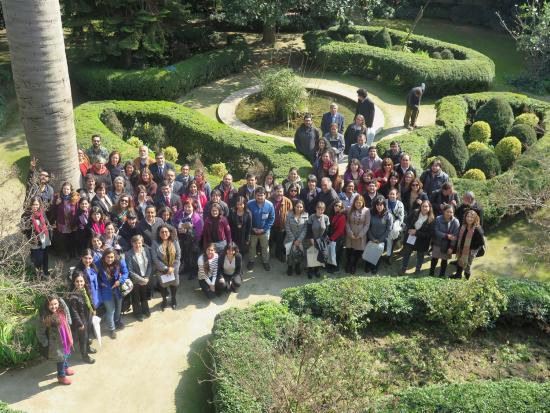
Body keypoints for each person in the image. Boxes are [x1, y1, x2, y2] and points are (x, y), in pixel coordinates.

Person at [36, 295, 74, 385]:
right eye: (51, 305)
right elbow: (39, 331)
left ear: (59, 303)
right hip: (55, 343)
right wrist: (45, 342)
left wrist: (61, 300)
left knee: (66, 353)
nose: (54, 307)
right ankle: (61, 376)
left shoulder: (61, 310)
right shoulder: (45, 317)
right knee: (60, 359)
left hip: (65, 337)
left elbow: (66, 309)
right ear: (47, 305)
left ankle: (66, 367)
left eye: (55, 304)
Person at [97, 248, 129, 338]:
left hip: (118, 289)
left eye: (112, 257)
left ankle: (117, 321)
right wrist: (100, 283)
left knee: (118, 307)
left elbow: (126, 272)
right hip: (106, 290)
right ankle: (112, 329)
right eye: (107, 257)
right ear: (104, 257)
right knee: (110, 310)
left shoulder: (120, 261)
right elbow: (95, 276)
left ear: (115, 256)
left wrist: (120, 280)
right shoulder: (99, 263)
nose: (110, 259)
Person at [399, 200, 435, 275]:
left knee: (420, 255)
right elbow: (407, 221)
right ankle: (403, 268)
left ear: (429, 207)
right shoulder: (415, 212)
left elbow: (430, 234)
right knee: (406, 253)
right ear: (420, 207)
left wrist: (416, 232)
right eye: (423, 206)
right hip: (411, 238)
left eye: (426, 206)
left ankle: (418, 270)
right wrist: (409, 229)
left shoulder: (431, 219)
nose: (424, 208)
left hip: (422, 241)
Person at [67, 272, 96, 364]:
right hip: (81, 319)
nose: (79, 283)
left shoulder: (85, 289)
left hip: (88, 315)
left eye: (81, 281)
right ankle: (85, 356)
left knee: (88, 334)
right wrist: (80, 324)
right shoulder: (73, 296)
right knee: (83, 338)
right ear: (74, 282)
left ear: (84, 281)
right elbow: (74, 312)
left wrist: (93, 308)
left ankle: (88, 348)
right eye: (77, 281)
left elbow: (90, 299)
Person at [152, 224, 181, 310]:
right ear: (159, 233)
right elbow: (155, 258)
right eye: (162, 232)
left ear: (169, 232)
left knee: (174, 285)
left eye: (166, 231)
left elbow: (178, 256)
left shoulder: (174, 241)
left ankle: (173, 299)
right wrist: (166, 268)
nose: (164, 233)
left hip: (174, 269)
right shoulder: (155, 243)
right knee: (163, 286)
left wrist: (172, 268)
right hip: (162, 270)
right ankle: (164, 300)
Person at [125, 234, 153, 320]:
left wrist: (147, 277)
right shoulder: (128, 254)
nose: (138, 245)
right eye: (135, 243)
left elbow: (150, 265)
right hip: (135, 280)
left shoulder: (146, 250)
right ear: (132, 243)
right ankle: (137, 313)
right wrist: (141, 280)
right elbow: (130, 270)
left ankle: (145, 310)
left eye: (139, 243)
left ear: (142, 243)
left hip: (145, 278)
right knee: (136, 297)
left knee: (144, 295)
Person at [247, 187, 275, 271]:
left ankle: (265, 261)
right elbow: (247, 217)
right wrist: (252, 228)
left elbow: (271, 218)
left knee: (265, 247)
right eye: (258, 195)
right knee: (252, 247)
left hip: (264, 231)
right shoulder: (249, 204)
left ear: (265, 195)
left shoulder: (270, 205)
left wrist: (264, 229)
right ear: (255, 195)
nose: (259, 197)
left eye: (261, 195)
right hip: (253, 231)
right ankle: (251, 261)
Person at [22, 196, 52, 277]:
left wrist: (49, 231)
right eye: (33, 204)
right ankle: (38, 273)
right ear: (30, 205)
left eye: (37, 204)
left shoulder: (42, 212)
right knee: (38, 259)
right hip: (35, 240)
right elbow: (23, 230)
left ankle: (45, 271)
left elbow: (46, 223)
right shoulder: (26, 215)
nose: (35, 207)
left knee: (45, 256)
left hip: (44, 238)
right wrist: (31, 235)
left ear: (39, 205)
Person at [174, 200, 203, 279]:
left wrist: (187, 231)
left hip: (193, 241)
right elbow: (174, 222)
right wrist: (178, 228)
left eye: (189, 207)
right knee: (184, 254)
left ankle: (193, 272)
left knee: (192, 257)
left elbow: (199, 233)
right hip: (182, 239)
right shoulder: (179, 213)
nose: (187, 209)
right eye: (185, 206)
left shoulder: (197, 217)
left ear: (193, 207)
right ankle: (186, 268)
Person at [430, 204, 460, 277]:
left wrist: (451, 247)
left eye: (451, 212)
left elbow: (455, 236)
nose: (449, 213)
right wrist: (447, 236)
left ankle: (441, 275)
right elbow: (436, 231)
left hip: (448, 245)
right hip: (438, 242)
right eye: (447, 211)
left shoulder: (456, 222)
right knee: (434, 258)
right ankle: (431, 274)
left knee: (444, 260)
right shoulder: (438, 219)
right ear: (444, 211)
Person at [454, 210, 485, 279]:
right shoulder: (463, 226)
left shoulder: (477, 229)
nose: (469, 218)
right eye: (468, 216)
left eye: (472, 217)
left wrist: (471, 249)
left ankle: (466, 279)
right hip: (461, 249)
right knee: (460, 262)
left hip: (471, 251)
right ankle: (458, 275)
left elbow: (481, 243)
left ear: (475, 218)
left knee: (467, 266)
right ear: (465, 217)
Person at [366, 196, 393, 274]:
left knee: (377, 253)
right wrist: (372, 238)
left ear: (384, 205)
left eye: (381, 205)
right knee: (369, 252)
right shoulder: (371, 214)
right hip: (371, 237)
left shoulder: (388, 215)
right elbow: (368, 227)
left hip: (381, 239)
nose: (379, 207)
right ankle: (367, 265)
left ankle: (375, 267)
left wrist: (380, 239)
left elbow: (388, 229)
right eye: (377, 205)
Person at [52, 182, 78, 259]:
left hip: (72, 223)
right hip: (62, 223)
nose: (66, 191)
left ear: (70, 190)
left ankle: (73, 253)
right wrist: (56, 204)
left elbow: (77, 210)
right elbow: (53, 211)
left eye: (68, 189)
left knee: (72, 238)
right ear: (62, 189)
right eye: (64, 189)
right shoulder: (57, 197)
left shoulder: (74, 198)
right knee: (64, 239)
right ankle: (66, 254)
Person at [345, 195, 370, 274]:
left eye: (360, 202)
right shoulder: (349, 209)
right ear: (354, 202)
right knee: (349, 250)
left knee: (357, 251)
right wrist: (350, 233)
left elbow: (367, 224)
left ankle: (354, 265)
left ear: (363, 203)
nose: (358, 204)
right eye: (356, 202)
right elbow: (347, 222)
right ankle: (348, 264)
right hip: (350, 233)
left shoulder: (367, 210)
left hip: (360, 234)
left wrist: (360, 234)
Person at [305, 201, 330, 278]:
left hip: (321, 240)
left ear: (324, 210)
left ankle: (317, 270)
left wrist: (323, 240)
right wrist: (311, 238)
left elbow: (327, 230)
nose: (320, 211)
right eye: (319, 209)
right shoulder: (311, 217)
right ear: (316, 208)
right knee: (311, 255)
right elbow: (309, 230)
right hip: (312, 240)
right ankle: (310, 270)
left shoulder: (326, 218)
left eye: (322, 209)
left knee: (320, 255)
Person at [269, 184, 293, 262]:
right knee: (269, 241)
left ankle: (278, 255)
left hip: (281, 226)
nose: (279, 193)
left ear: (283, 192)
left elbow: (291, 215)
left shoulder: (287, 201)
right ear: (274, 191)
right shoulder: (269, 200)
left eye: (281, 192)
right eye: (277, 191)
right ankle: (267, 255)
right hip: (270, 226)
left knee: (280, 242)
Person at [284, 200, 308, 276]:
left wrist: (299, 240)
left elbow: (305, 229)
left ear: (303, 208)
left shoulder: (306, 215)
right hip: (290, 239)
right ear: (294, 206)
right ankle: (290, 266)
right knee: (289, 254)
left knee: (300, 253)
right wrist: (294, 240)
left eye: (301, 207)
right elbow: (287, 227)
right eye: (297, 207)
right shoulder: (289, 214)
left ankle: (297, 266)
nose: (299, 208)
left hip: (301, 240)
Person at [385, 188, 405, 261]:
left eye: (393, 194)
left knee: (391, 236)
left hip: (396, 223)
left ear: (397, 195)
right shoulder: (385, 202)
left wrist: (395, 224)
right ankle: (388, 254)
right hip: (386, 222)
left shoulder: (400, 204)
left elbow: (401, 217)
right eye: (390, 194)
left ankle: (389, 254)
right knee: (389, 238)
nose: (392, 195)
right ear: (388, 195)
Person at [328, 200, 346, 273]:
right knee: (331, 252)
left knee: (337, 253)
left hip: (338, 238)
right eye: (336, 205)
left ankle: (335, 267)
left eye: (340, 206)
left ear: (342, 208)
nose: (337, 207)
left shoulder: (342, 216)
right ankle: (330, 265)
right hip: (331, 236)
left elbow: (340, 230)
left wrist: (332, 238)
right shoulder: (331, 214)